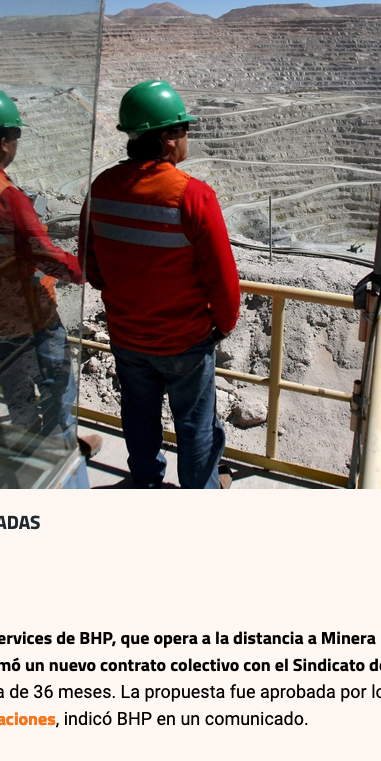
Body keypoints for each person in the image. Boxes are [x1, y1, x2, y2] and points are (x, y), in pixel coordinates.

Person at [78, 79, 240, 489]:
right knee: (195, 424)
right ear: (167, 138)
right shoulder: (193, 196)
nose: (187, 138)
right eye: (183, 130)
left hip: (126, 334)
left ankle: (146, 481)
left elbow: (91, 266)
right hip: (184, 340)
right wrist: (223, 324)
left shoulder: (101, 187)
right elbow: (222, 279)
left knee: (138, 414)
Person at [0, 89, 102, 470]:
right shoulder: (5, 195)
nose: (15, 143)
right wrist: (83, 271)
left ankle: (27, 458)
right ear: (1, 142)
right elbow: (44, 254)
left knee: (17, 396)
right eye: (15, 135)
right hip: (30, 321)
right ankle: (60, 462)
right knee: (58, 390)